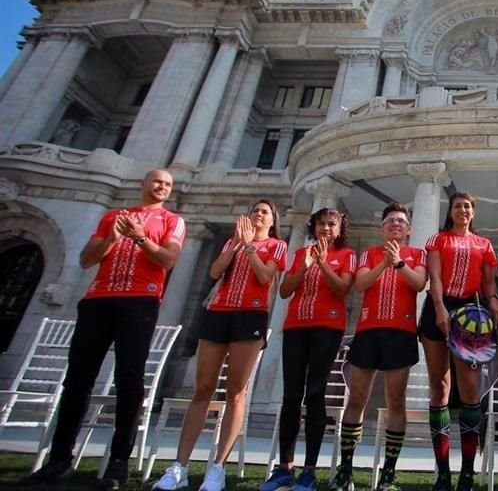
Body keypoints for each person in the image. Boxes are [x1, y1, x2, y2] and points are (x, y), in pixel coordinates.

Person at [23, 169, 186, 490]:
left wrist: (140, 237)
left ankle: (118, 463)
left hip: (140, 300)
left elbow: (168, 259)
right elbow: (85, 260)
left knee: (130, 379)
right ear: (143, 183)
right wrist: (113, 236)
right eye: (157, 181)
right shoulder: (112, 216)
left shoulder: (171, 220)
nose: (162, 187)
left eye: (167, 185)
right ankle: (59, 460)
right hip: (98, 297)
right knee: (77, 379)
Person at [152, 200, 286, 491]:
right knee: (203, 389)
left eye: (264, 212)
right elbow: (215, 272)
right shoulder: (232, 241)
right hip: (218, 312)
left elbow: (265, 276)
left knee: (236, 391)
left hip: (250, 314)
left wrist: (250, 247)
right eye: (255, 211)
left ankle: (218, 467)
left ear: (273, 221)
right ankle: (180, 466)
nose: (257, 215)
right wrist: (237, 244)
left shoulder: (276, 246)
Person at [330, 203, 427, 491]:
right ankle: (345, 469)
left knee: (395, 401)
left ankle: (389, 473)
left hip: (401, 332)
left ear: (409, 229)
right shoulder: (370, 254)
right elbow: (360, 284)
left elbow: (419, 283)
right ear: (382, 229)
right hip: (368, 330)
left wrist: (398, 263)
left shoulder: (417, 254)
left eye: (401, 221)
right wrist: (384, 263)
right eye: (390, 221)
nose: (395, 224)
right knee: (357, 397)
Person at [259, 208, 356, 491]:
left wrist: (324, 264)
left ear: (339, 229)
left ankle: (310, 470)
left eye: (331, 225)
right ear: (313, 227)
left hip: (328, 326)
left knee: (315, 392)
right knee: (291, 394)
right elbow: (285, 291)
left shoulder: (347, 255)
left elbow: (342, 290)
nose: (326, 229)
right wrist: (306, 263)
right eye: (321, 224)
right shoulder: (302, 253)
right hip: (296, 325)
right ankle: (284, 467)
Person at [420, 193, 498, 491]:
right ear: (451, 211)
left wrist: (494, 301)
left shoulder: (482, 244)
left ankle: (467, 474)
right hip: (437, 308)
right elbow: (435, 275)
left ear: (473, 212)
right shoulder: (438, 239)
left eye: (467, 206)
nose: (462, 210)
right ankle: (443, 474)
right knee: (439, 387)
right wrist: (441, 307)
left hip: (471, 312)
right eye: (457, 206)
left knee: (470, 389)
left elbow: (488, 280)